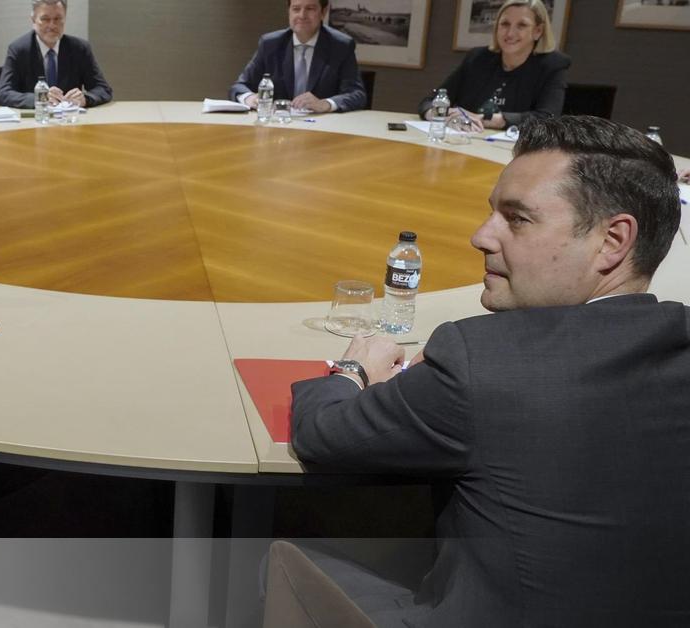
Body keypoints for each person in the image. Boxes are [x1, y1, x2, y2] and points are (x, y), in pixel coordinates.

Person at [269, 116, 688, 626]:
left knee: (271, 553)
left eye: (518, 218)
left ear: (612, 240)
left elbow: (320, 433)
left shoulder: (481, 361)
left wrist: (353, 369)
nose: (480, 236)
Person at [419, 0, 569, 132]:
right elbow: (431, 101)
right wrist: (442, 115)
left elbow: (548, 118)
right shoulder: (477, 59)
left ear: (538, 31)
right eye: (505, 24)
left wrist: (489, 119)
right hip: (465, 141)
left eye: (521, 25)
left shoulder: (552, 65)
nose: (510, 33)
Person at [229, 0, 366, 113]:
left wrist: (325, 104)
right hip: (277, 125)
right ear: (289, 11)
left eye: (310, 9)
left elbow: (357, 94)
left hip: (322, 127)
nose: (302, 15)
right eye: (296, 9)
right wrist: (250, 98)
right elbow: (239, 86)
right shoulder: (270, 44)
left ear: (323, 12)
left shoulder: (341, 46)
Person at [0, 0, 112, 109]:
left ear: (64, 19)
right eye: (45, 19)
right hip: (35, 119)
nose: (52, 25)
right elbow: (3, 94)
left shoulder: (79, 49)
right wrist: (40, 98)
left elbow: (103, 89)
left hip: (70, 119)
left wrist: (85, 99)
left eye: (57, 19)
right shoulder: (19, 49)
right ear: (33, 20)